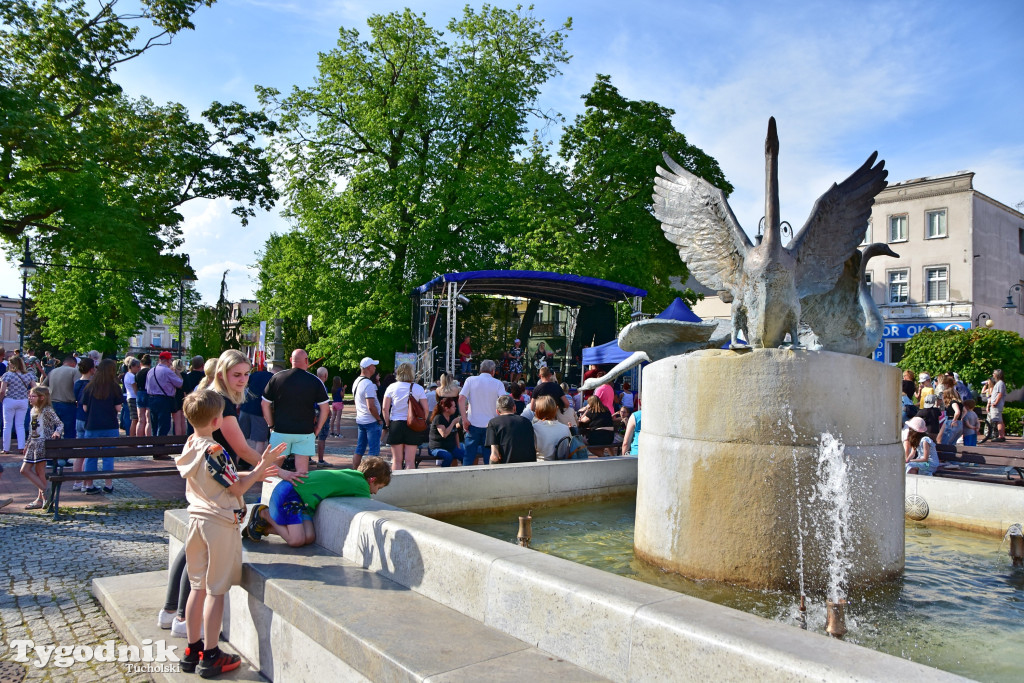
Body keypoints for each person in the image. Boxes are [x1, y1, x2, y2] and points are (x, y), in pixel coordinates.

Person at [176, 389, 285, 677]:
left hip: (196, 520)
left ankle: (192, 648)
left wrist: (258, 470)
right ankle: (211, 655)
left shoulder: (190, 443)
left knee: (197, 587)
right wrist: (263, 465)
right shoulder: (214, 450)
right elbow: (236, 488)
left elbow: (219, 481)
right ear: (216, 421)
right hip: (218, 524)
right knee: (216, 590)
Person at [244, 456, 391, 546]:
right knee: (296, 541)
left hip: (302, 500)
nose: (375, 492)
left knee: (309, 537)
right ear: (372, 480)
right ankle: (263, 514)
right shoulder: (362, 486)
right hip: (291, 493)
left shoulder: (353, 475)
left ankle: (262, 527)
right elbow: (367, 505)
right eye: (378, 487)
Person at [261, 349, 329, 476]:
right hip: (305, 431)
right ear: (306, 361)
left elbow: (265, 404)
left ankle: (270, 494)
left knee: (273, 470)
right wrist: (318, 428)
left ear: (291, 360)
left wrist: (271, 425)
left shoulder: (277, 377)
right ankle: (299, 495)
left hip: (281, 429)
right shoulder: (315, 381)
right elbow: (325, 409)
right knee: (302, 473)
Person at [81, 359, 122, 494]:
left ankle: (89, 485)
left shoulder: (89, 387)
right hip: (110, 425)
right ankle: (108, 484)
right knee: (108, 456)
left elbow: (85, 408)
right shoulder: (114, 387)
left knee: (90, 456)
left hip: (92, 425)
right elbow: (118, 408)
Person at [458, 360, 508, 466]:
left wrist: (464, 419)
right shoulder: (498, 383)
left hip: (472, 424)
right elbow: (504, 402)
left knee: (468, 457)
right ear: (493, 371)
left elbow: (461, 398)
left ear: (480, 369)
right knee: (490, 459)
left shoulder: (470, 380)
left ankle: (463, 479)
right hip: (491, 426)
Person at [20, 387, 63, 509]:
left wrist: (57, 432)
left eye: (33, 396)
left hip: (42, 444)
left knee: (39, 471)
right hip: (33, 443)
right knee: (25, 470)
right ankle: (45, 493)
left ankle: (42, 498)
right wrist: (27, 443)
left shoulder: (47, 410)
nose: (30, 398)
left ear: (42, 397)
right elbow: (31, 429)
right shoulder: (33, 410)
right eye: (30, 396)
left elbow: (59, 424)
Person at [382, 363, 428, 471]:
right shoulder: (418, 388)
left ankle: (397, 484)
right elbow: (426, 409)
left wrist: (388, 423)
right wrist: (421, 421)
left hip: (396, 423)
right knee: (410, 461)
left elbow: (385, 408)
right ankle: (409, 485)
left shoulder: (391, 387)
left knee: (396, 460)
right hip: (412, 424)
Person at [1, 356, 36, 454]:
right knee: (20, 425)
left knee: (7, 425)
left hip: (9, 400)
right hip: (23, 401)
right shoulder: (28, 375)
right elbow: (35, 388)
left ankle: (6, 448)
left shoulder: (7, 375)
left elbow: (2, 391)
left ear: (13, 364)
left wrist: (1, 400)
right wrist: (28, 393)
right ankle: (21, 447)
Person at [352, 358, 383, 469]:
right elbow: (371, 406)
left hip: (361, 419)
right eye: (373, 366)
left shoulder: (356, 381)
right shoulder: (368, 384)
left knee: (360, 448)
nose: (375, 368)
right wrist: (378, 419)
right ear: (369, 367)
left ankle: (355, 471)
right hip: (371, 421)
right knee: (374, 451)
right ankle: (370, 473)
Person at [487, 395, 536, 464]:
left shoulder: (493, 423)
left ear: (497, 411)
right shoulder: (526, 422)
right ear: (514, 408)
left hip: (507, 467)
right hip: (529, 466)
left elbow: (494, 456)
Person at [70, 357, 96, 490]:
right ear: (92, 369)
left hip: (79, 417)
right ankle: (87, 483)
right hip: (88, 419)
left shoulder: (77, 383)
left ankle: (77, 482)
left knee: (80, 452)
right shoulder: (91, 385)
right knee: (89, 453)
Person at [146, 351, 183, 436]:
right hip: (164, 400)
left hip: (151, 399)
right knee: (163, 426)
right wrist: (177, 372)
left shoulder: (151, 371)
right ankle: (160, 446)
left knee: (154, 425)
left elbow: (147, 387)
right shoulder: (167, 371)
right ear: (168, 360)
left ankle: (154, 445)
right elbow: (180, 383)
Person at [239, 362, 273, 453]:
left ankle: (235, 462)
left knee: (240, 438)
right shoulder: (274, 378)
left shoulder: (255, 374)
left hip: (245, 408)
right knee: (260, 440)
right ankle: (256, 464)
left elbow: (244, 386)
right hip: (259, 412)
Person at [46, 354, 79, 440]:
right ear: (74, 364)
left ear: (64, 362)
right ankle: (68, 451)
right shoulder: (74, 371)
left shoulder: (53, 371)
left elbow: (43, 386)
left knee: (53, 431)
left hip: (52, 404)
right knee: (69, 431)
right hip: (68, 404)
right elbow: (77, 386)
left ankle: (54, 450)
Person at [531, 396, 570, 460]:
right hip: (562, 465)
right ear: (555, 409)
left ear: (538, 410)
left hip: (540, 466)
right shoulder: (565, 428)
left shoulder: (534, 428)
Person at [428, 397, 464, 467]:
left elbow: (456, 433)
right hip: (437, 447)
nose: (455, 408)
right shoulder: (438, 418)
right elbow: (444, 434)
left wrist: (458, 447)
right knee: (448, 456)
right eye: (453, 407)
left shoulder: (452, 416)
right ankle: (444, 474)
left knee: (464, 455)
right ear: (447, 409)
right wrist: (453, 423)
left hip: (450, 446)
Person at [314, 367, 331, 467]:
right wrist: (328, 411)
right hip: (321, 413)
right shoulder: (322, 386)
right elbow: (324, 403)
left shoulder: (312, 384)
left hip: (313, 412)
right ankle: (320, 460)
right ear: (325, 375)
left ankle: (308, 458)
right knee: (322, 436)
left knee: (311, 436)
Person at [985, 369, 1006, 442]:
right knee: (1000, 420)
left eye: (994, 373)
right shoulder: (999, 383)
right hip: (996, 405)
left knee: (998, 421)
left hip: (996, 405)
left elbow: (1000, 394)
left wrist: (995, 403)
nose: (993, 375)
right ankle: (1001, 435)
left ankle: (1000, 436)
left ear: (997, 375)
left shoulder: (1000, 383)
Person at [135, 354, 152, 437]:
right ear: (150, 364)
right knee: (148, 420)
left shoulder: (138, 373)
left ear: (141, 363)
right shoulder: (150, 372)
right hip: (148, 393)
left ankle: (139, 442)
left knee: (140, 419)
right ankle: (148, 442)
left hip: (139, 393)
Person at [123, 358, 141, 437]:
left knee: (134, 419)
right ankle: (132, 437)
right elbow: (135, 389)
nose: (139, 369)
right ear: (132, 366)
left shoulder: (127, 375)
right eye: (137, 367)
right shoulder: (131, 376)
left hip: (130, 396)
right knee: (135, 419)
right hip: (133, 398)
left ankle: (132, 436)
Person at [171, 358, 187, 436]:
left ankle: (177, 441)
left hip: (175, 398)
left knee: (177, 422)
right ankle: (182, 439)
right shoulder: (185, 375)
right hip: (184, 398)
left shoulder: (173, 375)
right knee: (183, 421)